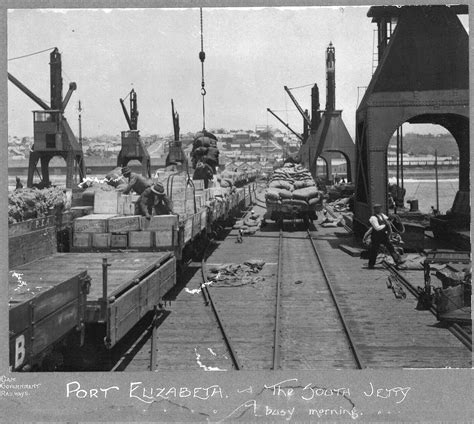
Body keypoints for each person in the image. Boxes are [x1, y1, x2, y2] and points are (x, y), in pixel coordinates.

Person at [367, 203, 403, 269]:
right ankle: (371, 264)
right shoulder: (373, 218)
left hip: (383, 236)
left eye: (380, 208)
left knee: (390, 247)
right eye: (377, 208)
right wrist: (386, 225)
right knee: (374, 250)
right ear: (375, 210)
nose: (379, 209)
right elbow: (377, 228)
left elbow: (388, 220)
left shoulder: (382, 215)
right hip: (376, 237)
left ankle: (397, 260)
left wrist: (392, 218)